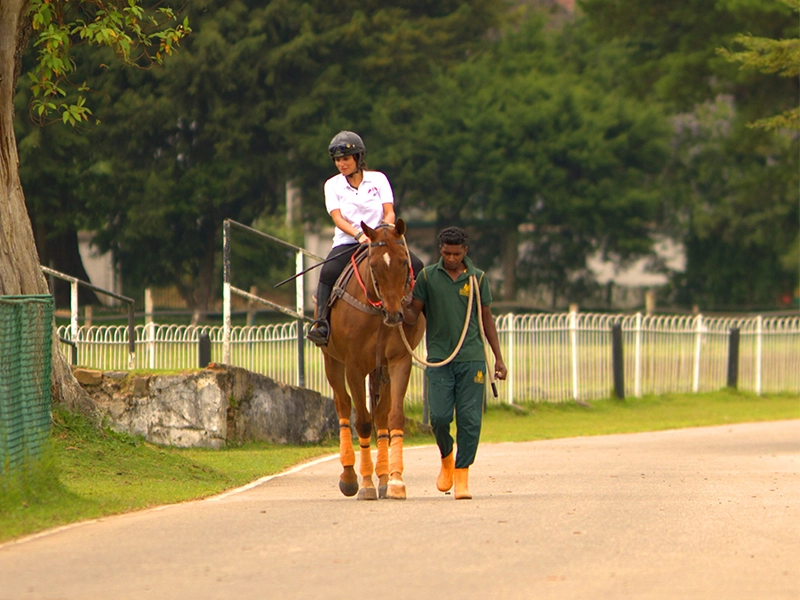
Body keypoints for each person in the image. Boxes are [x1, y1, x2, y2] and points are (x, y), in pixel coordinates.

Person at [403, 226, 508, 499]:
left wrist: (498, 358)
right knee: (438, 417)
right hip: (439, 359)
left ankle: (462, 476)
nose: (451, 258)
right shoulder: (427, 277)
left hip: (471, 358)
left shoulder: (477, 278)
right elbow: (413, 315)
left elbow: (487, 318)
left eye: (456, 254)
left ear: (465, 251)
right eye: (447, 253)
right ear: (441, 250)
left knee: (470, 420)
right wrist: (399, 305)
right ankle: (447, 457)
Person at [307, 130, 423, 346]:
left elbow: (389, 212)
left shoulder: (378, 179)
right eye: (337, 160)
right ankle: (321, 324)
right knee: (328, 272)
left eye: (345, 159)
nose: (341, 164)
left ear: (358, 158)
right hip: (349, 241)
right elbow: (338, 218)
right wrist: (359, 235)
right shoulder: (332, 185)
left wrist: (383, 231)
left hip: (381, 239)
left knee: (417, 265)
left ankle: (425, 315)